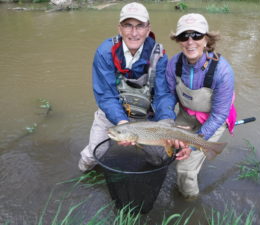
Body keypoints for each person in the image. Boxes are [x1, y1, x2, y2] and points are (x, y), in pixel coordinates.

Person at [78, 2, 176, 172]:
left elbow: (163, 94)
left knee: (158, 158)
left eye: (139, 26)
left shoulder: (159, 55)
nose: (134, 32)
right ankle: (82, 177)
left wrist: (166, 121)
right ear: (119, 28)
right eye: (128, 26)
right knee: (93, 155)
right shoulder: (105, 52)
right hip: (112, 113)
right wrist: (122, 124)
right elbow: (106, 95)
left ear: (148, 28)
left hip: (145, 118)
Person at [166, 13, 236, 200]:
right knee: (169, 148)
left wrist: (194, 144)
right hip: (185, 115)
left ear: (207, 39)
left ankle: (190, 202)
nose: (190, 42)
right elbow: (169, 97)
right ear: (178, 40)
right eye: (184, 36)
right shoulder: (174, 64)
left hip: (213, 118)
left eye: (196, 35)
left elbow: (220, 113)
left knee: (184, 168)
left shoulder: (223, 71)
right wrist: (166, 122)